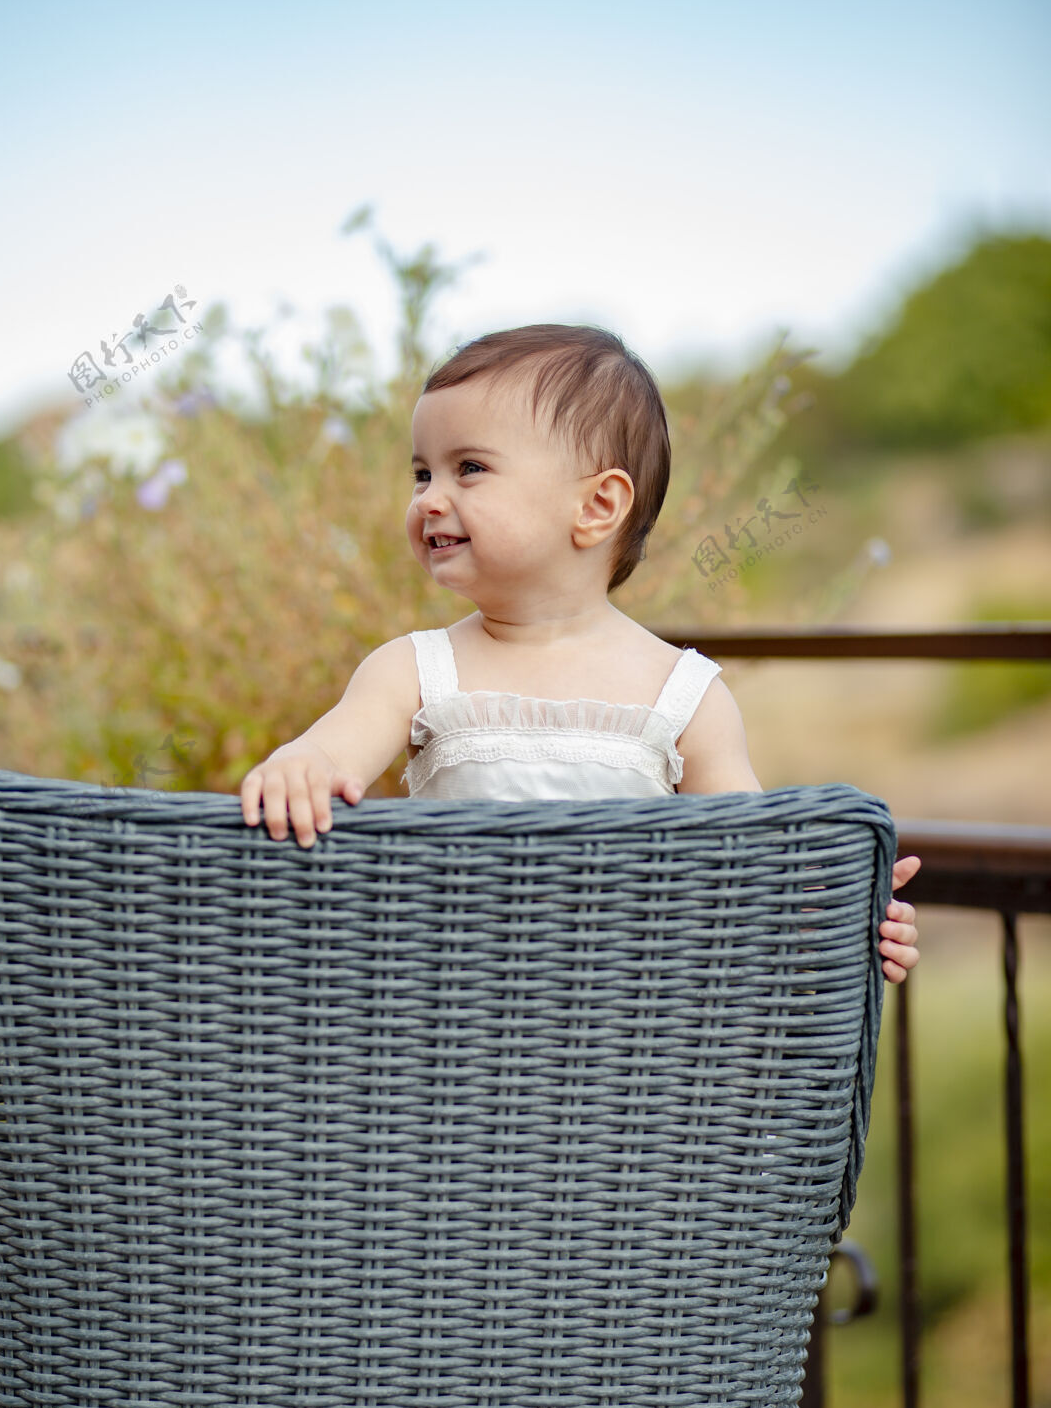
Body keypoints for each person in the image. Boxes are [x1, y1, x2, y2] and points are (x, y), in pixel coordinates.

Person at [240, 324, 920, 984]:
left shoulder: (683, 696)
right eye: (422, 473)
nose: (429, 500)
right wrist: (299, 766)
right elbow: (331, 757)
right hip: (449, 1019)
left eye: (468, 468)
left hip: (630, 1037)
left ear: (597, 506)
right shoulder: (412, 671)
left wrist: (835, 912)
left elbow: (755, 865)